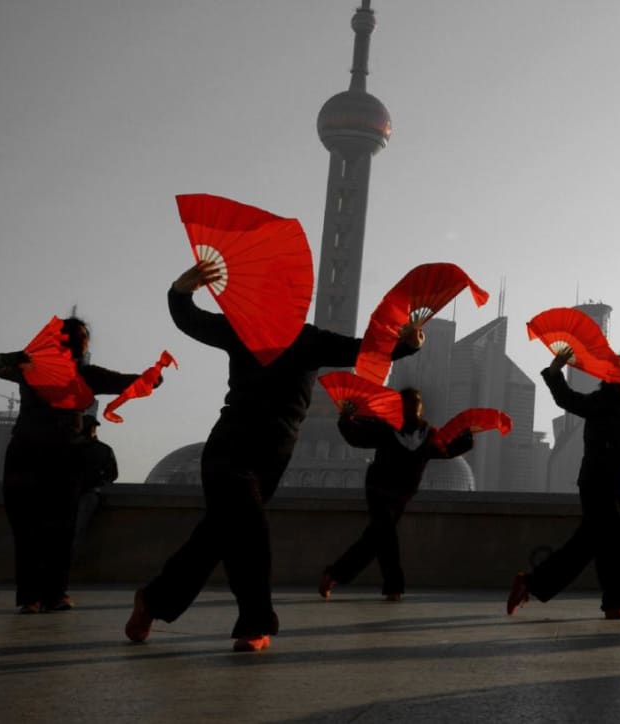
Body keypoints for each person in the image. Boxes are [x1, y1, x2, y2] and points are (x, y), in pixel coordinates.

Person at [125, 259, 423, 652]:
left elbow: (363, 349)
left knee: (214, 538)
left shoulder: (311, 339)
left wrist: (406, 343)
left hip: (272, 459)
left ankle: (154, 599)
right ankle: (254, 621)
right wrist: (181, 290)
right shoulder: (243, 330)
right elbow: (191, 320)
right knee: (250, 533)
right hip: (229, 449)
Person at [507, 347, 620, 619]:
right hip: (595, 481)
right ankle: (614, 603)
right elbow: (567, 399)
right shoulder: (600, 402)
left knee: (589, 543)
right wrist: (554, 371)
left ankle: (533, 583)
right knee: (618, 540)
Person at [0, 318, 140, 614]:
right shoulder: (42, 369)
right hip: (53, 455)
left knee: (38, 530)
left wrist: (16, 358)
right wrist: (153, 376)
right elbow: (128, 382)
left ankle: (35, 597)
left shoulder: (36, 369)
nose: (81, 341)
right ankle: (51, 594)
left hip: (39, 455)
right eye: (79, 336)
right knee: (51, 529)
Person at [319, 388, 474, 601]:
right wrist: (346, 420)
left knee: (374, 539)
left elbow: (446, 450)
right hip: (378, 491)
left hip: (401, 496)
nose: (412, 408)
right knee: (387, 537)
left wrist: (466, 439)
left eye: (415, 404)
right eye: (407, 404)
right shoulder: (385, 428)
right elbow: (358, 437)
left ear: (420, 408)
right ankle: (394, 587)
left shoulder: (428, 435)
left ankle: (334, 574)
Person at [73, 414, 119, 558]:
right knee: (77, 531)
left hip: (66, 494)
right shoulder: (103, 449)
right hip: (89, 495)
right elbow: (112, 474)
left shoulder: (66, 448)